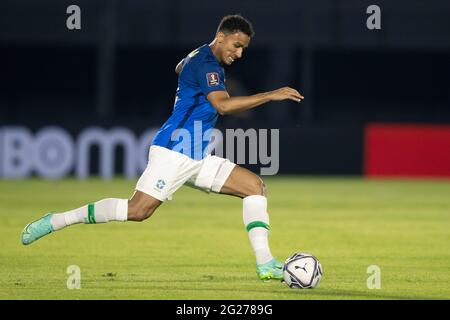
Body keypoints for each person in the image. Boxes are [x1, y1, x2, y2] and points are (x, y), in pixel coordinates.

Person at [21, 14, 304, 281]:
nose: (239, 53)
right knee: (138, 210)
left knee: (254, 187)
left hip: (196, 155)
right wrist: (271, 95)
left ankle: (265, 263)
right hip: (174, 151)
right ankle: (58, 220)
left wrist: (188, 75)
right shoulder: (207, 64)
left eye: (243, 48)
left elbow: (179, 66)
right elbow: (223, 105)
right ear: (221, 36)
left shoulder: (199, 57)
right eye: (237, 45)